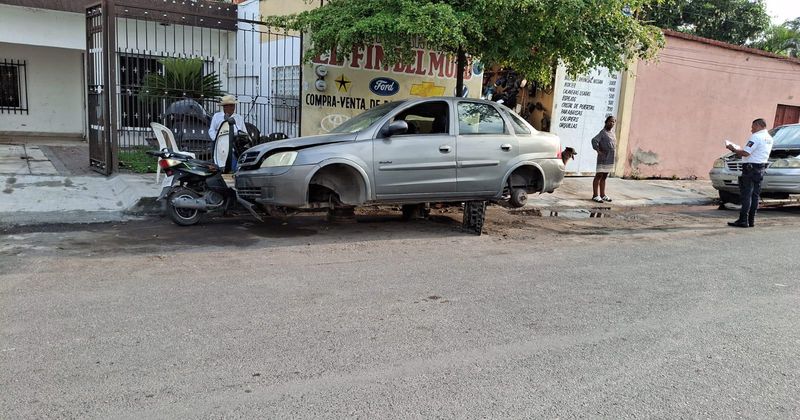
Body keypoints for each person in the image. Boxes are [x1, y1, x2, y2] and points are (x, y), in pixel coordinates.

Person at [726, 118, 774, 228]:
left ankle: (743, 220)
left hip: (750, 169)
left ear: (758, 126)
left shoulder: (756, 137)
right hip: (760, 168)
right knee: (755, 195)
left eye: (752, 127)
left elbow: (746, 153)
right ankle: (751, 220)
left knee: (746, 195)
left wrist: (733, 149)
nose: (751, 130)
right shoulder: (769, 138)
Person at [209, 95, 246, 171]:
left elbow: (244, 132)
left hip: (233, 146)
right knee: (219, 165)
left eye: (233, 105)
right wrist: (216, 139)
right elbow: (211, 130)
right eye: (231, 105)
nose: (233, 108)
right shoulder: (217, 116)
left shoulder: (239, 118)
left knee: (233, 167)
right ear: (225, 107)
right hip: (220, 145)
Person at [591, 116, 616, 203]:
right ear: (606, 122)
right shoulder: (603, 132)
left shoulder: (612, 133)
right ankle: (595, 195)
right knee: (599, 175)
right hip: (603, 158)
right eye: (610, 121)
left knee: (605, 176)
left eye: (613, 122)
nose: (612, 123)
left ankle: (603, 195)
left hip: (610, 158)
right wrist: (598, 150)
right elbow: (594, 140)